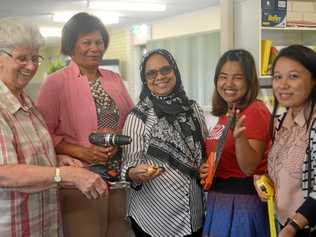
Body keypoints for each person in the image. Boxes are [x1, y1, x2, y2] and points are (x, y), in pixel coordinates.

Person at [0, 18, 108, 237]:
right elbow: (4, 173)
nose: (31, 66)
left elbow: (28, 157)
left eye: (34, 58)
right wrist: (64, 174)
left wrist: (56, 159)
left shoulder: (27, 104)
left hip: (44, 225)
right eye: (21, 58)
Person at [36, 12, 134, 237]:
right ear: (72, 46)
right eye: (86, 42)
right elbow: (43, 134)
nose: (95, 48)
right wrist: (84, 152)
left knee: (119, 233)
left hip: (118, 177)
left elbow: (131, 121)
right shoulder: (56, 82)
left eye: (99, 42)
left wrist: (118, 141)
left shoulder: (114, 79)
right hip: (80, 180)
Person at [121, 49, 208, 237]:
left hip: (195, 214)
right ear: (145, 80)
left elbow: (204, 153)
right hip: (156, 221)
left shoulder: (193, 109)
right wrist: (134, 172)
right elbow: (127, 166)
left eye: (165, 70)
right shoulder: (139, 117)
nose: (160, 77)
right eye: (151, 73)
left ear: (174, 71)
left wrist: (206, 166)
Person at [199, 49, 271, 237]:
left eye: (237, 77)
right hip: (219, 201)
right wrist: (207, 169)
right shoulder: (228, 113)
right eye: (223, 77)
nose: (228, 84)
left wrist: (239, 139)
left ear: (249, 81)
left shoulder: (255, 111)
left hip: (242, 204)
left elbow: (249, 167)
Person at [254, 45, 316, 237]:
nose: (283, 85)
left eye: (293, 76)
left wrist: (293, 227)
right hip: (281, 225)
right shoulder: (280, 122)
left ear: (314, 80)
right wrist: (264, 181)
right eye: (278, 77)